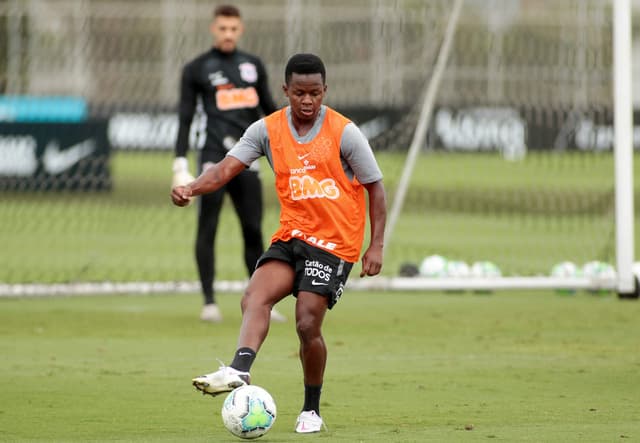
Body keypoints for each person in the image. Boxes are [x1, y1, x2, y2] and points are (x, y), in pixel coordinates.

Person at [171, 53, 387, 434]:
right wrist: (191, 187)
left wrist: (377, 245)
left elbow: (375, 187)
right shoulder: (266, 130)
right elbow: (225, 168)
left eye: (315, 93)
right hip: (292, 235)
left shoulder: (344, 132)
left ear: (325, 91)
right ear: (285, 90)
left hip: (334, 243)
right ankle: (239, 370)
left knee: (306, 322)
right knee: (255, 296)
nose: (307, 101)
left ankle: (311, 409)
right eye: (300, 92)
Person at [172, 4, 285, 323]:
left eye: (233, 29)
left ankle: (262, 301)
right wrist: (179, 163)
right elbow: (185, 117)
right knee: (208, 227)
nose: (228, 34)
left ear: (241, 30)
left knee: (253, 229)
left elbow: (271, 112)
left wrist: (287, 149)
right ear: (213, 29)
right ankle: (209, 302)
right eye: (222, 28)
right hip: (212, 159)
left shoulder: (253, 65)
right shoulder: (197, 68)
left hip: (248, 160)